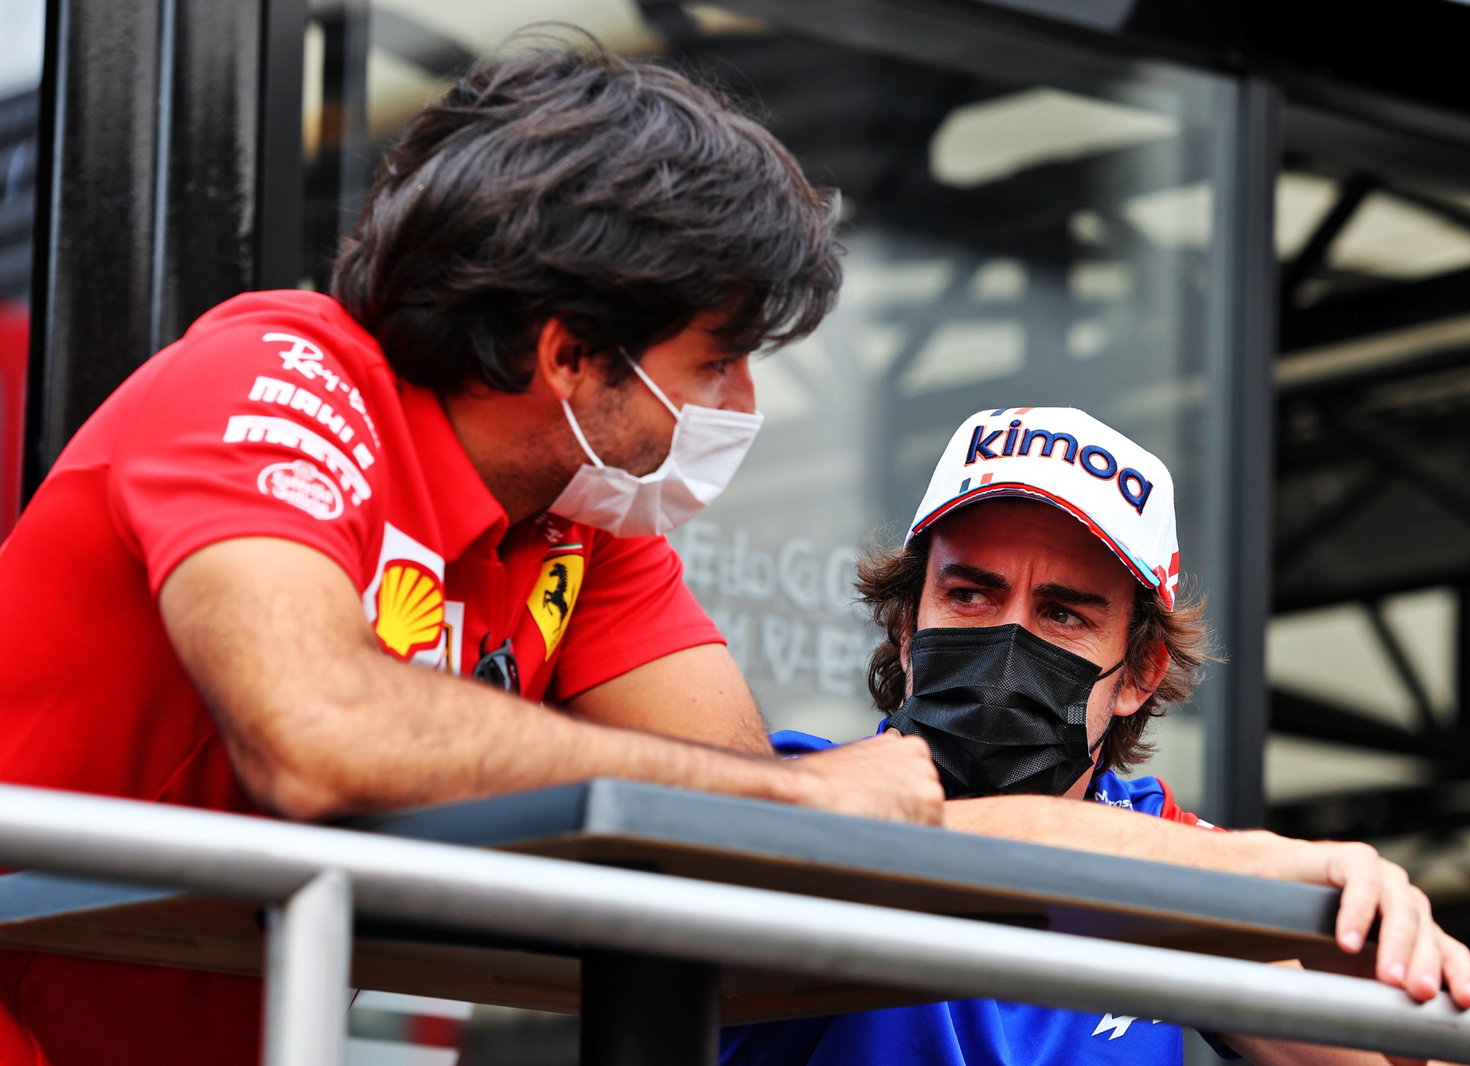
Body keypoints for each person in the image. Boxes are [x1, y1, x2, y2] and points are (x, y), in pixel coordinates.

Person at [0, 42, 943, 1066]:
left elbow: (713, 802)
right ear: (571, 354)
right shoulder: (271, 377)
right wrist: (796, 793)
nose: (742, 407)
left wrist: (771, 797)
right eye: (715, 363)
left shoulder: (585, 522)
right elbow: (318, 732)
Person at [722, 406, 1470, 1066]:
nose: (1008, 644)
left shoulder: (1159, 843)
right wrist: (1264, 870)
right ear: (908, 628)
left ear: (1140, 674)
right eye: (970, 594)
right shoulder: (797, 791)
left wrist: (1384, 952)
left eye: (1063, 614)